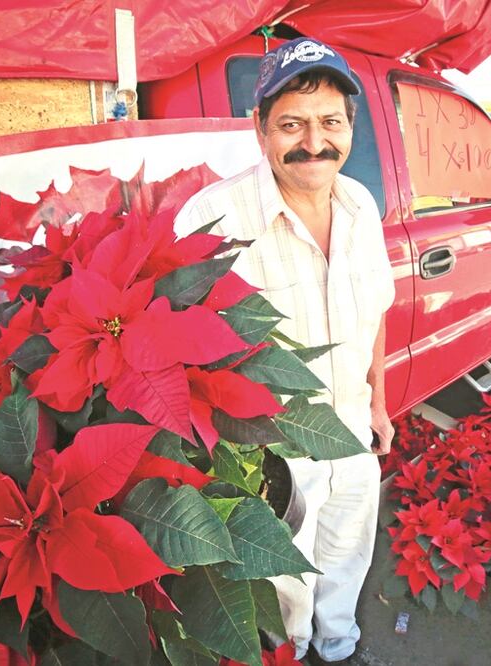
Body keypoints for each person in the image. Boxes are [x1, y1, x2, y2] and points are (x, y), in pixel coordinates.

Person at [175, 37, 395, 664]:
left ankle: (339, 645)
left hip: (351, 425)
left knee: (348, 552)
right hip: (271, 449)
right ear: (260, 128)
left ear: (350, 126)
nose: (314, 142)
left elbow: (376, 308)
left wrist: (378, 402)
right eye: (291, 124)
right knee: (282, 582)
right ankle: (291, 654)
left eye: (330, 122)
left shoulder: (360, 204)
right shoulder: (212, 218)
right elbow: (182, 351)